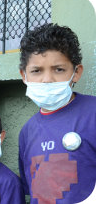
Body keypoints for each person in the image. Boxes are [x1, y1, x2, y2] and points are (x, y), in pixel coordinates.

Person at [18, 23, 96, 203]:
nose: (47, 80)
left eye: (59, 69)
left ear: (76, 72)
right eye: (36, 71)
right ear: (24, 76)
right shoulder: (27, 132)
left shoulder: (93, 113)